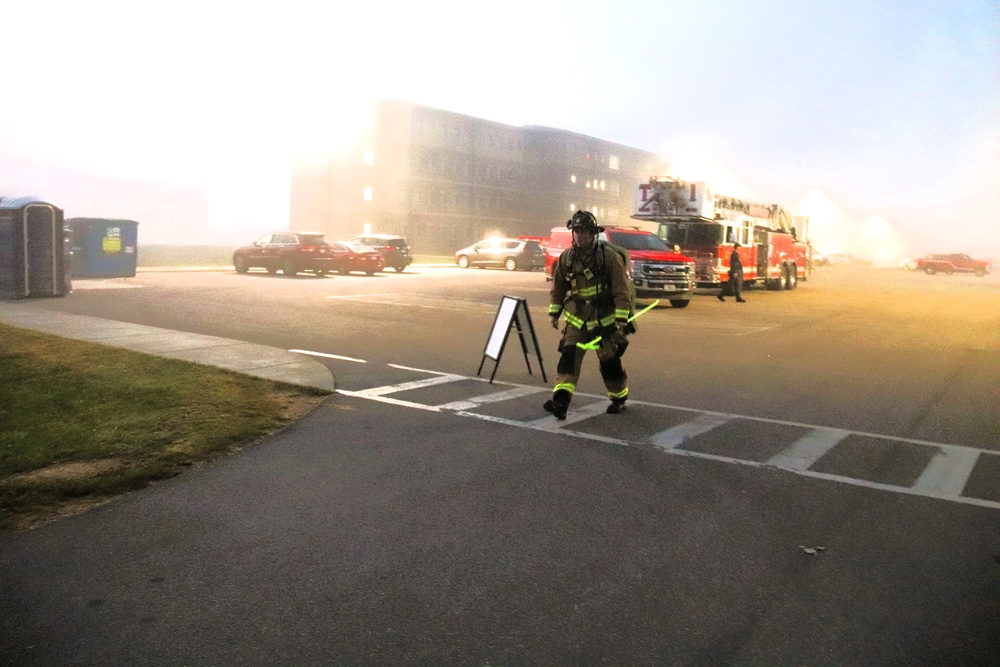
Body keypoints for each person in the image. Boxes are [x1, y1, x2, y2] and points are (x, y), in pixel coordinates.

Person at [544, 210, 632, 419]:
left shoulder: (607, 257)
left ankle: (619, 398)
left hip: (605, 320)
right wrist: (554, 313)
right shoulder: (566, 259)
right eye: (576, 231)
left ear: (593, 234)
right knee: (568, 358)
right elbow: (558, 288)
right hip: (578, 320)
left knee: (609, 362)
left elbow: (621, 290)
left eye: (584, 231)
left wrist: (621, 320)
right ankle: (561, 403)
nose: (579, 235)